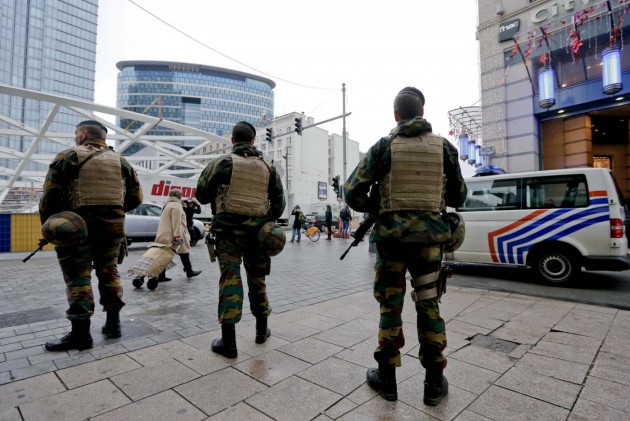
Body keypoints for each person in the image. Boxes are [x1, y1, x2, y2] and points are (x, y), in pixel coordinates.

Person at [344, 87, 467, 405]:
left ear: (396, 115)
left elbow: (352, 192)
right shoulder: (445, 148)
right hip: (429, 242)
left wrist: (378, 205)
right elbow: (459, 197)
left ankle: (387, 379)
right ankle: (433, 383)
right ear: (422, 113)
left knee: (390, 307)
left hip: (391, 242)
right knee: (428, 305)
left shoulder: (383, 146)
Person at [39, 120, 143, 351]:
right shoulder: (121, 161)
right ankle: (113, 325)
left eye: (76, 134)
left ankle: (81, 335)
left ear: (83, 134)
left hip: (77, 229)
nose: (75, 138)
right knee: (109, 272)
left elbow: (49, 199)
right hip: (112, 229)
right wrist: (112, 211)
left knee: (78, 278)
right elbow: (136, 198)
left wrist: (52, 227)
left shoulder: (67, 157)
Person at [196, 121, 285, 358]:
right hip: (258, 236)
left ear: (233, 140)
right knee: (258, 280)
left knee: (230, 281)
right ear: (253, 140)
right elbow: (279, 207)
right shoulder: (268, 168)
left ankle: (229, 343)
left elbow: (201, 195)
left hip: (228, 235)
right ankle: (261, 331)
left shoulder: (222, 163)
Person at [154, 188, 202, 282]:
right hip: (173, 235)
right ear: (179, 196)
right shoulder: (176, 206)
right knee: (184, 253)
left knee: (165, 255)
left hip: (164, 234)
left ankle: (161, 275)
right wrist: (178, 236)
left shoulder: (168, 204)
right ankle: (189, 271)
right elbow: (177, 222)